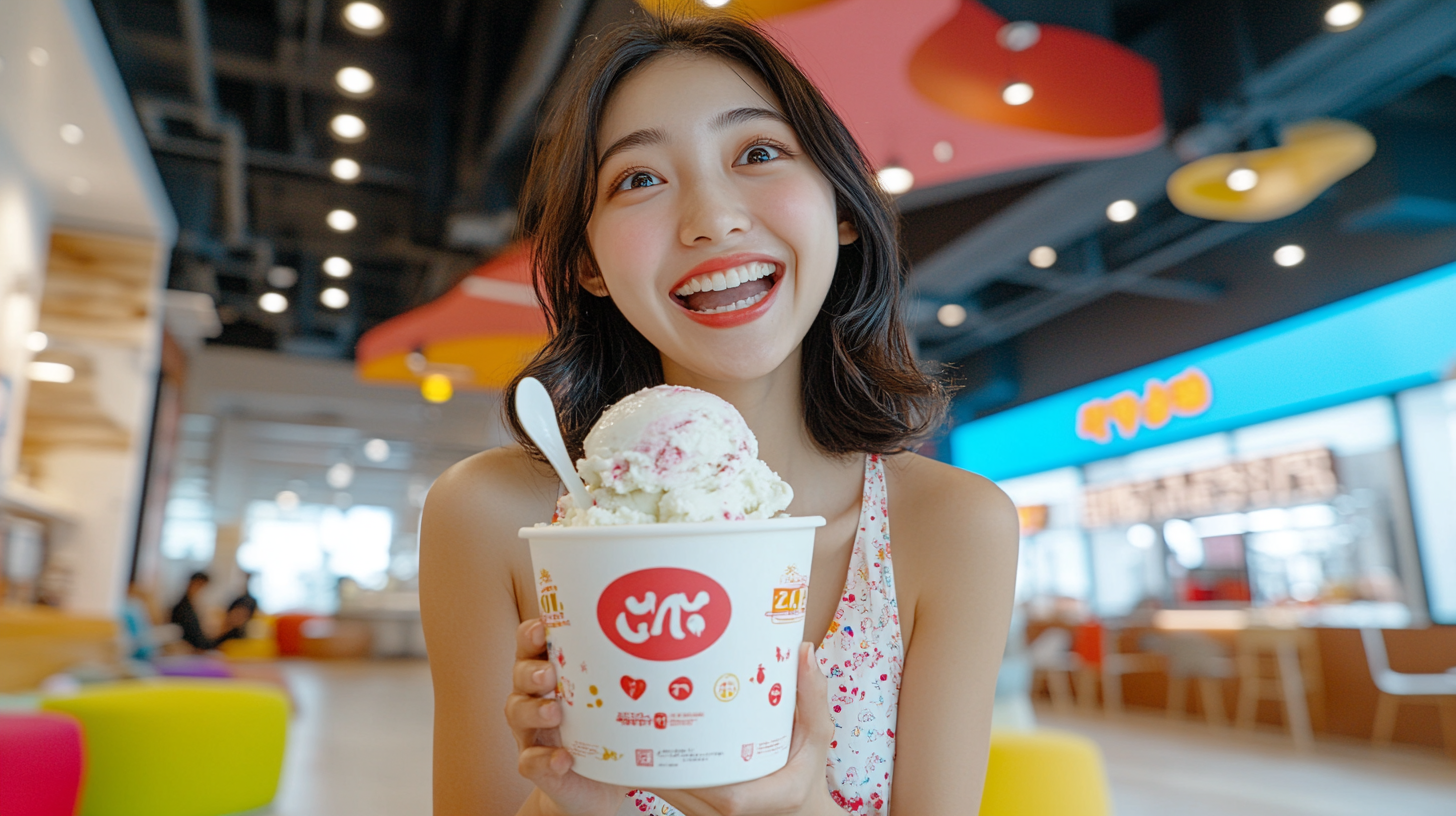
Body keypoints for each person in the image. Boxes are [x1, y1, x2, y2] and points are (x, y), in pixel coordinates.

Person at [419, 12, 1018, 816]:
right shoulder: (491, 518)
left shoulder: (951, 527)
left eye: (759, 154)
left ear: (842, 209)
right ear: (590, 265)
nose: (712, 218)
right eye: (638, 179)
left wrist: (796, 807)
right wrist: (572, 799)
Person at [170, 571, 213, 651]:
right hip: (189, 650)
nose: (201, 590)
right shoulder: (182, 609)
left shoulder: (194, 606)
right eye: (199, 585)